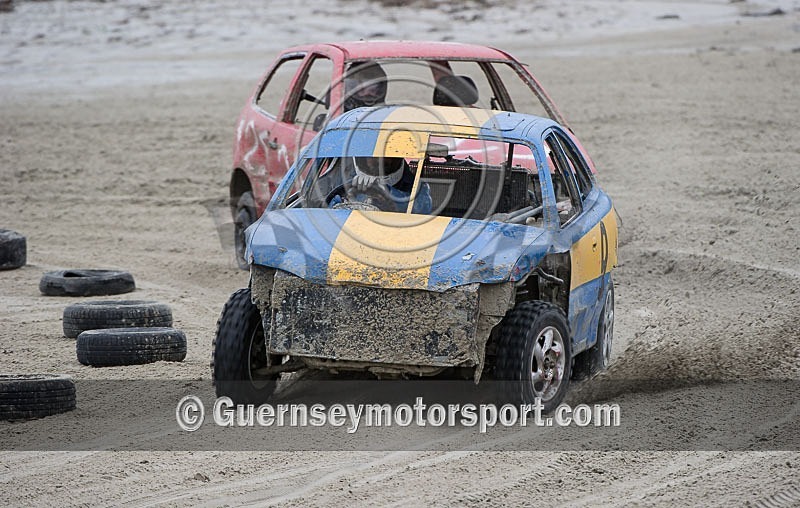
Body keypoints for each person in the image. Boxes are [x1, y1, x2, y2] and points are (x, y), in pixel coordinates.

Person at [331, 156, 432, 214]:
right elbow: (319, 204)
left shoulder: (417, 186)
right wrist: (338, 201)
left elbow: (422, 209)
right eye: (372, 156)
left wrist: (387, 192)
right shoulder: (339, 176)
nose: (379, 160)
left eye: (387, 154)